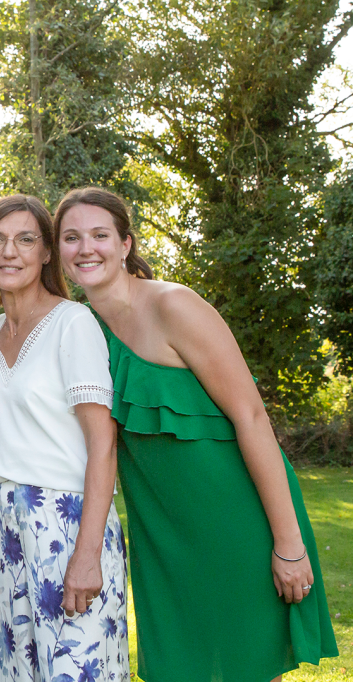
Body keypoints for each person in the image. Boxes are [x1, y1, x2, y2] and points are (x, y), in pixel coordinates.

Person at [54, 186, 338, 682]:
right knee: (180, 666)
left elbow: (251, 417)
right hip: (162, 531)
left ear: (125, 244)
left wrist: (288, 543)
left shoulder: (173, 305)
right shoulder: (82, 326)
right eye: (71, 237)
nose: (85, 248)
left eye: (100, 235)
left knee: (239, 665)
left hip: (235, 518)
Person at [0, 195, 128, 681]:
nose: (8, 251)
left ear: (45, 255)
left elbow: (104, 444)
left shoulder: (71, 323)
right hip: (8, 523)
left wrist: (86, 553)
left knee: (79, 671)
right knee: (18, 672)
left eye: (25, 239)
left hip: (70, 522)